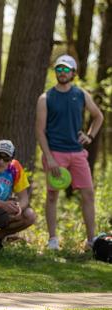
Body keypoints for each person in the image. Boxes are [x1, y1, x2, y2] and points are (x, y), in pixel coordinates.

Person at [36, 54, 104, 250]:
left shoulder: (81, 94)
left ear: (73, 73)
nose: (62, 72)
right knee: (51, 196)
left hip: (77, 153)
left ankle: (92, 242)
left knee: (88, 194)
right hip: (54, 153)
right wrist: (49, 157)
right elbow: (39, 130)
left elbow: (98, 117)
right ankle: (52, 240)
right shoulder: (45, 98)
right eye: (59, 69)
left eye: (66, 69)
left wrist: (89, 136)